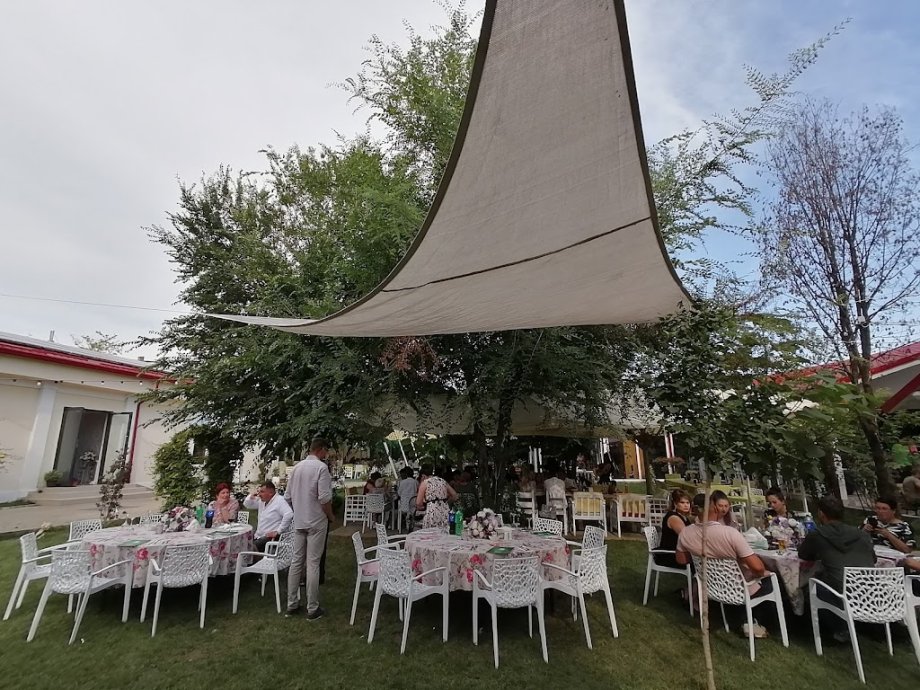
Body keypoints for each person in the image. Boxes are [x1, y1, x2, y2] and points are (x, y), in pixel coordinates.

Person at [799, 495, 875, 642]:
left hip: (840, 592)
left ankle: (838, 628)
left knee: (811, 585)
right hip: (869, 592)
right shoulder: (862, 535)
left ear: (821, 513)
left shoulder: (818, 534)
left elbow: (804, 554)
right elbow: (873, 558)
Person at [676, 490, 771, 598]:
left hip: (711, 588)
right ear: (715, 509)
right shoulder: (730, 533)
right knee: (775, 580)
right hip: (740, 589)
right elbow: (758, 569)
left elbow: (681, 560)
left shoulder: (685, 533)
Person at [286, 437, 334, 620]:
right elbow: (324, 498)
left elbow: (288, 497)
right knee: (313, 563)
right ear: (321, 450)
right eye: (326, 451)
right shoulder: (321, 468)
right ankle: (312, 608)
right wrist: (330, 516)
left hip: (299, 521)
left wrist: (298, 510)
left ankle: (292, 604)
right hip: (316, 521)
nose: (326, 454)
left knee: (296, 562)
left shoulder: (297, 468)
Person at [243, 481, 293, 551]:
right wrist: (250, 496)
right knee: (243, 544)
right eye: (259, 491)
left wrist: (278, 531)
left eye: (262, 492)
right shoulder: (262, 501)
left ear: (271, 493)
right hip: (258, 536)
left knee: (249, 548)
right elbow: (247, 505)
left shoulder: (279, 501)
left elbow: (289, 514)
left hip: (270, 539)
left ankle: (255, 560)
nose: (259, 494)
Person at [656, 489, 692, 568]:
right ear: (675, 504)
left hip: (678, 551)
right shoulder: (673, 517)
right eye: (682, 503)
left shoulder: (684, 516)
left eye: (688, 503)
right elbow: (686, 537)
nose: (686, 505)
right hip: (669, 555)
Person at [416, 464, 458, 529]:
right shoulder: (442, 481)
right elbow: (455, 496)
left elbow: (418, 503)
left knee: (430, 534)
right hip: (445, 510)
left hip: (432, 511)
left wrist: (422, 507)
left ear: (423, 475)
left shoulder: (425, 483)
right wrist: (446, 502)